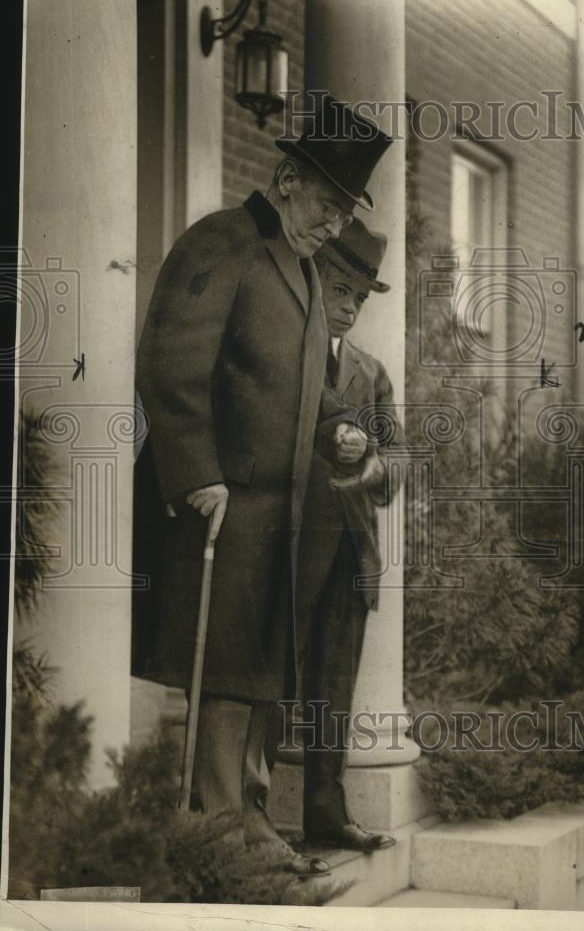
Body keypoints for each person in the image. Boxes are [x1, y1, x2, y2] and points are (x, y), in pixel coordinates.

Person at [133, 94, 392, 877]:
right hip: (226, 503)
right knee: (223, 666)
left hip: (283, 514)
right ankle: (217, 826)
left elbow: (304, 398)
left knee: (257, 668)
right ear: (285, 179)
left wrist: (337, 432)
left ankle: (244, 815)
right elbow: (170, 361)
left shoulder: (309, 278)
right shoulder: (223, 242)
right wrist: (198, 473)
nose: (333, 224)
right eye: (326, 204)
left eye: (344, 211)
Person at [283, 218, 404, 852]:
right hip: (285, 545)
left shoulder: (371, 373)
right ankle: (243, 816)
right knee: (269, 680)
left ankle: (326, 818)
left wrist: (368, 461)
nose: (349, 306)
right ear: (312, 279)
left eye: (359, 296)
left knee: (333, 689)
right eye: (339, 288)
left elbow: (398, 467)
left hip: (352, 552)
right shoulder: (287, 354)